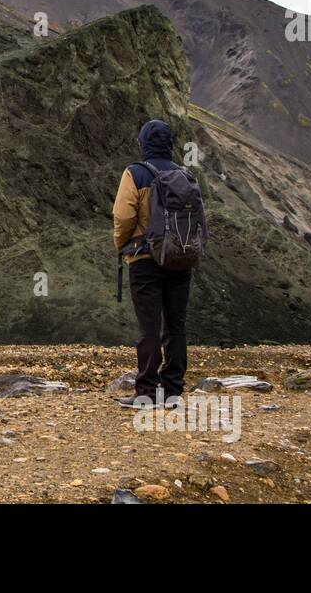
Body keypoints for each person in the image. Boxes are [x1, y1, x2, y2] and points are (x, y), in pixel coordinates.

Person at [113, 119, 193, 406]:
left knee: (149, 327)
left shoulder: (135, 173)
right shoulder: (184, 175)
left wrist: (122, 245)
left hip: (145, 260)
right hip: (180, 259)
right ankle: (173, 391)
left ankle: (146, 392)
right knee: (176, 325)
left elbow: (123, 216)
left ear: (143, 143)